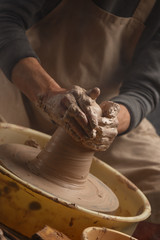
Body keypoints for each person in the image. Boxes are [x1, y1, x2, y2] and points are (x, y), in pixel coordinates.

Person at [0, 0, 160, 233]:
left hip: (104, 115)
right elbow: (5, 21)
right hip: (24, 86)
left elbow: (145, 88)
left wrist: (111, 121)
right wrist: (48, 94)